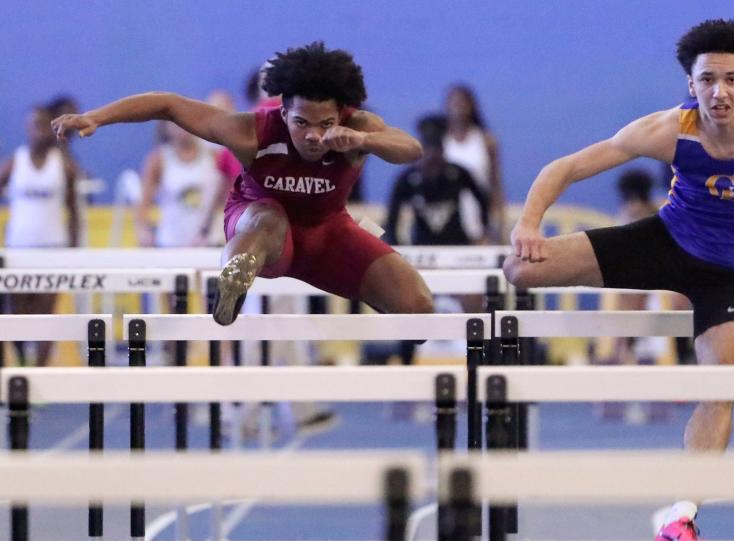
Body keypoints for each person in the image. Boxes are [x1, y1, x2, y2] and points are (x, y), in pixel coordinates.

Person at [503, 19, 734, 541]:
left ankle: (680, 518)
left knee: (719, 385)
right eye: (707, 81)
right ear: (691, 84)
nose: (719, 93)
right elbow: (569, 166)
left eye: (730, 79)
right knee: (519, 270)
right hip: (667, 240)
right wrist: (529, 223)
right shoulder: (669, 130)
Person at [53, 41, 433, 325]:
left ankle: (384, 302)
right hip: (257, 226)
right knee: (268, 217)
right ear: (283, 112)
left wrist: (365, 142)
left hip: (327, 233)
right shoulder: (252, 132)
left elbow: (411, 149)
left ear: (341, 115)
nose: (314, 136)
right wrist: (96, 117)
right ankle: (234, 275)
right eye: (302, 123)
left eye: (325, 124)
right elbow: (168, 104)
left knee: (419, 310)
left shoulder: (358, 127)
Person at [0, 104, 80, 366]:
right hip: (18, 249)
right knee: (18, 314)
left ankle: (40, 374)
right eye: (33, 125)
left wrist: (74, 250)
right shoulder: (14, 163)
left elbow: (73, 211)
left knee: (47, 315)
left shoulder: (64, 166)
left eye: (42, 125)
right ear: (27, 128)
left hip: (52, 249)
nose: (38, 131)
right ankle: (23, 364)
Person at [384, 114, 488, 246]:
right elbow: (392, 218)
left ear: (443, 150)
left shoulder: (458, 173)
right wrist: (397, 246)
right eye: (427, 149)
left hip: (457, 244)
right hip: (422, 245)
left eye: (437, 149)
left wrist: (483, 230)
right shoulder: (407, 179)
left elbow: (482, 199)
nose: (432, 155)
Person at [135, 121, 220, 248]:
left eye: (186, 122)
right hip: (171, 241)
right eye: (176, 123)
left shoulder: (213, 156)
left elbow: (225, 196)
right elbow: (144, 202)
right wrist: (143, 230)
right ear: (166, 127)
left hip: (207, 240)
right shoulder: (159, 159)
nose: (182, 128)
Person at [444, 84, 506, 241]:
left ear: (472, 105)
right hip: (448, 217)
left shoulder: (486, 141)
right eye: (454, 101)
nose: (459, 106)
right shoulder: (439, 143)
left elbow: (495, 184)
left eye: (463, 101)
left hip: (479, 214)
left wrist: (498, 221)